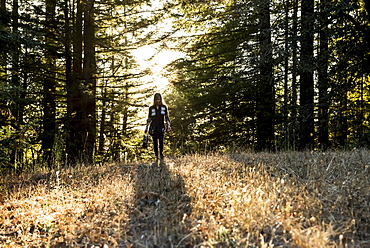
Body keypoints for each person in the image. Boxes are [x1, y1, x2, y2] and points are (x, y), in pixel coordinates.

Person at [145, 93, 171, 159]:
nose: (157, 101)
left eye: (159, 99)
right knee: (155, 141)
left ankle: (161, 153)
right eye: (156, 99)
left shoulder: (164, 107)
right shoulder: (151, 108)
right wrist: (146, 127)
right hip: (153, 126)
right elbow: (149, 118)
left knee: (161, 140)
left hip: (161, 125)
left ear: (160, 99)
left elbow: (166, 117)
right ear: (154, 100)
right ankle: (156, 155)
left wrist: (168, 125)